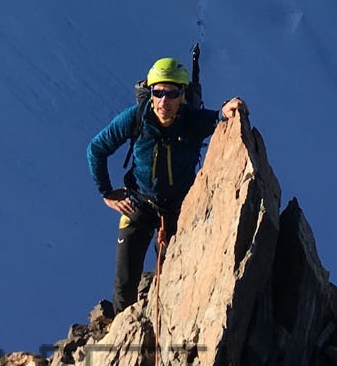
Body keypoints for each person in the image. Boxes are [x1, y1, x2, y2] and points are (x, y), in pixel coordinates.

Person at [87, 57, 245, 313]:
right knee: (124, 285)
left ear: (182, 95)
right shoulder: (136, 118)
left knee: (175, 281)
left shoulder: (190, 119)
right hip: (138, 204)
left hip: (180, 211)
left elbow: (218, 116)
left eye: (171, 93)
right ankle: (123, 337)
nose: (164, 101)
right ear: (150, 93)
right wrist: (107, 192)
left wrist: (228, 109)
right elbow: (96, 149)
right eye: (157, 92)